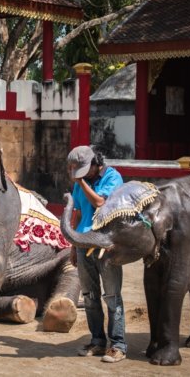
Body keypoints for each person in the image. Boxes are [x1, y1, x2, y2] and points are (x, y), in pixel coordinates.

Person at [67, 145, 126, 363]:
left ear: (96, 163)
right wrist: (73, 245)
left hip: (106, 245)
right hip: (83, 244)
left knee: (112, 296)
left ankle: (118, 345)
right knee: (90, 297)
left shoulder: (113, 177)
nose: (81, 175)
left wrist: (80, 182)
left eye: (84, 171)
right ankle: (98, 341)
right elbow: (78, 212)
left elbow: (101, 203)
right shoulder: (80, 181)